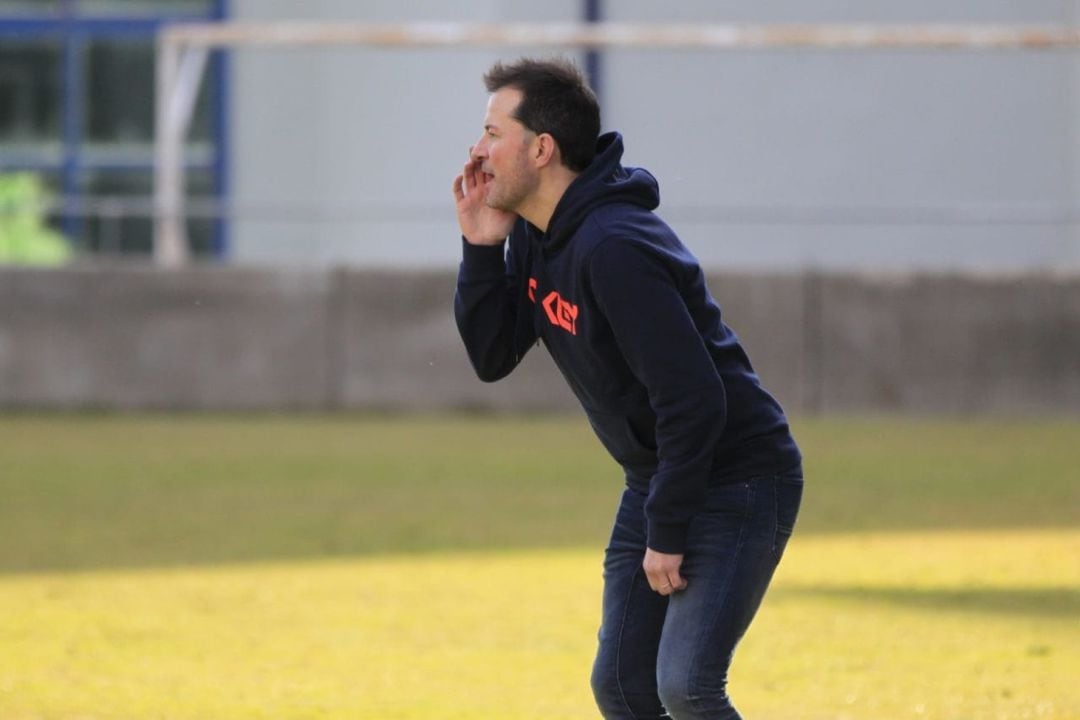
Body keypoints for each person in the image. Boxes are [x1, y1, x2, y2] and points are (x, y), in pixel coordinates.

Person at [452, 57, 803, 720]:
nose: (477, 150)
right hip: (657, 475)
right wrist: (479, 249)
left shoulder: (614, 247)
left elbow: (695, 400)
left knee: (686, 687)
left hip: (739, 477)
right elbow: (493, 355)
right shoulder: (535, 233)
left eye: (493, 133)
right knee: (621, 686)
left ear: (542, 148)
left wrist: (667, 528)